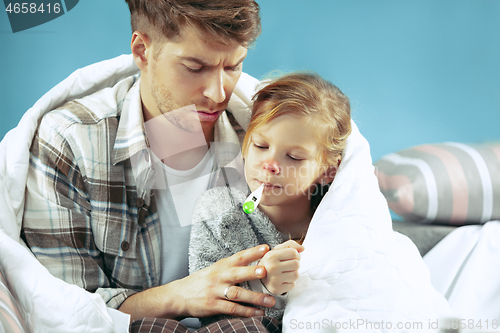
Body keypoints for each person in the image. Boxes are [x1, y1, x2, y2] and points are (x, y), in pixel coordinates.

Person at [20, 1, 282, 332]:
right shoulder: (70, 144)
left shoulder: (267, 138)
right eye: (195, 67)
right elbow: (63, 310)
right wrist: (179, 297)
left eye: (233, 67)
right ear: (143, 51)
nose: (218, 93)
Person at [189, 71, 352, 325]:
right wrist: (263, 284)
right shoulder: (219, 213)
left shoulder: (341, 225)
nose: (270, 164)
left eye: (294, 157)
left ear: (328, 171)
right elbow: (206, 312)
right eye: (261, 146)